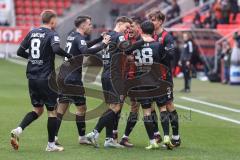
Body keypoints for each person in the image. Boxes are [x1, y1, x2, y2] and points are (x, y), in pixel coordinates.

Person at [10, 10, 72, 152]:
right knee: (52, 111)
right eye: (55, 20)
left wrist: (33, 59)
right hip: (45, 78)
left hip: (32, 77)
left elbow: (20, 52)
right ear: (52, 21)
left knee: (38, 109)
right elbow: (56, 48)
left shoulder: (32, 33)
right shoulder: (52, 34)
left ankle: (18, 129)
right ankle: (51, 145)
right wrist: (69, 55)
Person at [54, 16, 111, 146]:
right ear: (83, 25)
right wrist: (103, 44)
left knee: (62, 107)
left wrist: (98, 39)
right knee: (81, 108)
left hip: (63, 75)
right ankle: (81, 137)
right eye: (89, 24)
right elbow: (85, 51)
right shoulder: (79, 38)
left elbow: (84, 46)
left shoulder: (72, 35)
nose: (91, 26)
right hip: (72, 78)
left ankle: (54, 137)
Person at [85, 16, 132, 148]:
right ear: (120, 23)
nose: (127, 30)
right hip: (114, 76)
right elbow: (128, 49)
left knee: (110, 107)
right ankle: (95, 132)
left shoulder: (108, 35)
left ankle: (109, 139)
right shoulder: (119, 36)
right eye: (126, 27)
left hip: (105, 74)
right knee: (116, 107)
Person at [149, 10, 181, 148]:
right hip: (150, 76)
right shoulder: (149, 36)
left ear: (161, 21)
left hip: (164, 77)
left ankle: (176, 137)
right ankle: (157, 135)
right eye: (150, 19)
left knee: (168, 105)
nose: (152, 22)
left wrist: (158, 53)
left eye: (154, 20)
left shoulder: (167, 37)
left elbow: (172, 54)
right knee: (150, 106)